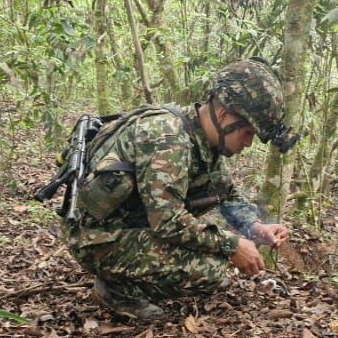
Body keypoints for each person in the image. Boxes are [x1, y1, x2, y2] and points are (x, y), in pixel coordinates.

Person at [63, 59, 298, 320]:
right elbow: (168, 221)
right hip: (96, 239)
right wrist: (232, 245)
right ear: (224, 115)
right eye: (247, 132)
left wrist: (256, 227)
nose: (248, 143)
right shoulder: (169, 139)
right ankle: (117, 290)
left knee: (213, 261)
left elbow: (227, 195)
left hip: (126, 228)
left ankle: (125, 277)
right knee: (212, 271)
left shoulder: (201, 138)